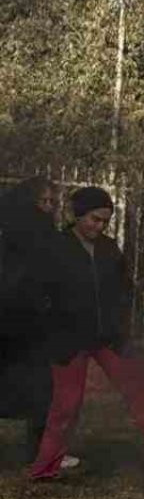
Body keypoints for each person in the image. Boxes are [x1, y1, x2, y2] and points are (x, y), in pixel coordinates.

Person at [28, 187, 144, 479]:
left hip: (108, 337)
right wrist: (54, 327)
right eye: (94, 219)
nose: (99, 226)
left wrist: (121, 323)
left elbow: (126, 290)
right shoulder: (56, 247)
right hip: (69, 341)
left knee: (139, 390)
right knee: (67, 405)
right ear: (78, 215)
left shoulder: (109, 248)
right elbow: (39, 295)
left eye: (105, 221)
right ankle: (44, 467)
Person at [0, 178, 58, 464]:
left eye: (51, 202)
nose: (48, 208)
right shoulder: (31, 233)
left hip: (25, 319)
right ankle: (37, 450)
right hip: (19, 318)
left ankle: (38, 449)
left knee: (39, 387)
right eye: (43, 201)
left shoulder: (15, 231)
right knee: (37, 386)